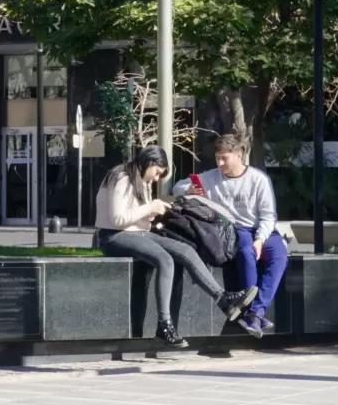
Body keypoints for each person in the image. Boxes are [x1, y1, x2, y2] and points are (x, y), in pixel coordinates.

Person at [95, 145, 258, 348]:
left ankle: (223, 299)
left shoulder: (141, 179)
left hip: (137, 233)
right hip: (113, 237)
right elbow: (117, 219)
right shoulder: (121, 177)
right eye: (157, 172)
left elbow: (135, 218)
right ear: (150, 162)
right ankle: (165, 326)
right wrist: (149, 207)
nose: (156, 178)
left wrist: (150, 214)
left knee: (185, 250)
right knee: (164, 260)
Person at [173, 133, 289, 339]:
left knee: (279, 254)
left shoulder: (258, 179)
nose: (220, 163)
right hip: (236, 229)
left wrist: (261, 239)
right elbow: (176, 187)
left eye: (224, 158)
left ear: (239, 155)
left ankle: (255, 311)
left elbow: (269, 215)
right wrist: (189, 189)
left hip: (261, 228)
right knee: (246, 251)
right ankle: (254, 314)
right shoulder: (211, 177)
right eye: (217, 158)